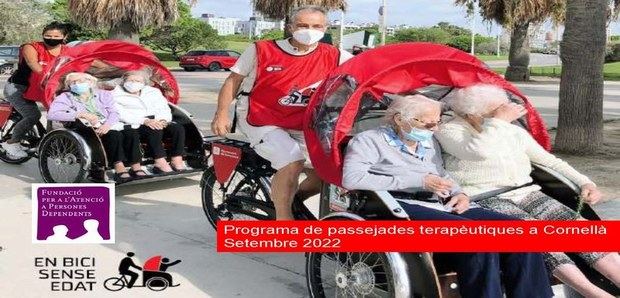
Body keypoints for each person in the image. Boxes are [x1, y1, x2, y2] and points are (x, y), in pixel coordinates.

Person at [342, 94, 553, 298]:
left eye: (437, 122)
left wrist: (459, 193)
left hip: (438, 202)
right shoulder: (368, 141)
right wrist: (419, 181)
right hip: (396, 204)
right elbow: (352, 179)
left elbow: (442, 174)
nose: (434, 128)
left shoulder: (428, 141)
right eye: (427, 123)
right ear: (399, 119)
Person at [435, 84, 620, 298]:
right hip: (484, 197)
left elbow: (550, 161)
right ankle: (595, 294)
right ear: (473, 113)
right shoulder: (450, 130)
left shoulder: (511, 130)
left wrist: (585, 182)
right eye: (497, 109)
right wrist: (499, 122)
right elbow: (479, 152)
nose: (507, 111)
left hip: (526, 191)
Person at [211, 5, 353, 220]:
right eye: (302, 25)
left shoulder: (335, 55)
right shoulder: (261, 50)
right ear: (290, 27)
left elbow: (368, 72)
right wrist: (221, 114)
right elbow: (234, 81)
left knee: (326, 173)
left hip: (305, 123)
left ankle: (290, 199)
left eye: (316, 26)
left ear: (325, 28)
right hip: (262, 119)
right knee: (292, 160)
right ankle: (284, 220)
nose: (309, 30)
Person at [47, 72, 143, 183]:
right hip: (84, 127)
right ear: (69, 85)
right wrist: (79, 114)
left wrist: (107, 125)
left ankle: (136, 165)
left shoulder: (103, 94)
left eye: (81, 81)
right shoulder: (65, 97)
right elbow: (52, 114)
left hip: (108, 123)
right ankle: (118, 166)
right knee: (114, 135)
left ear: (91, 82)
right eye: (73, 82)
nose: (77, 84)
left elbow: (114, 112)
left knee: (131, 132)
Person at [1, 22, 69, 159]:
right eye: (48, 35)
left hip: (45, 88)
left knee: (56, 113)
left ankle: (51, 143)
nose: (51, 38)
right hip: (18, 88)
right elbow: (33, 63)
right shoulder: (31, 47)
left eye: (56, 36)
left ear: (65, 37)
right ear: (42, 35)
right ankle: (11, 142)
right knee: (33, 115)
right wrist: (49, 76)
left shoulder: (66, 51)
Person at [113, 70, 186, 174]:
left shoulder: (153, 92)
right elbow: (121, 113)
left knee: (177, 128)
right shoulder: (116, 94)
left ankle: (176, 159)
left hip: (157, 119)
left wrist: (163, 120)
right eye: (131, 80)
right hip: (135, 123)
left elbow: (164, 108)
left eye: (137, 81)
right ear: (124, 81)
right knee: (153, 130)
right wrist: (145, 121)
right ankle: (159, 161)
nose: (134, 83)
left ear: (143, 83)